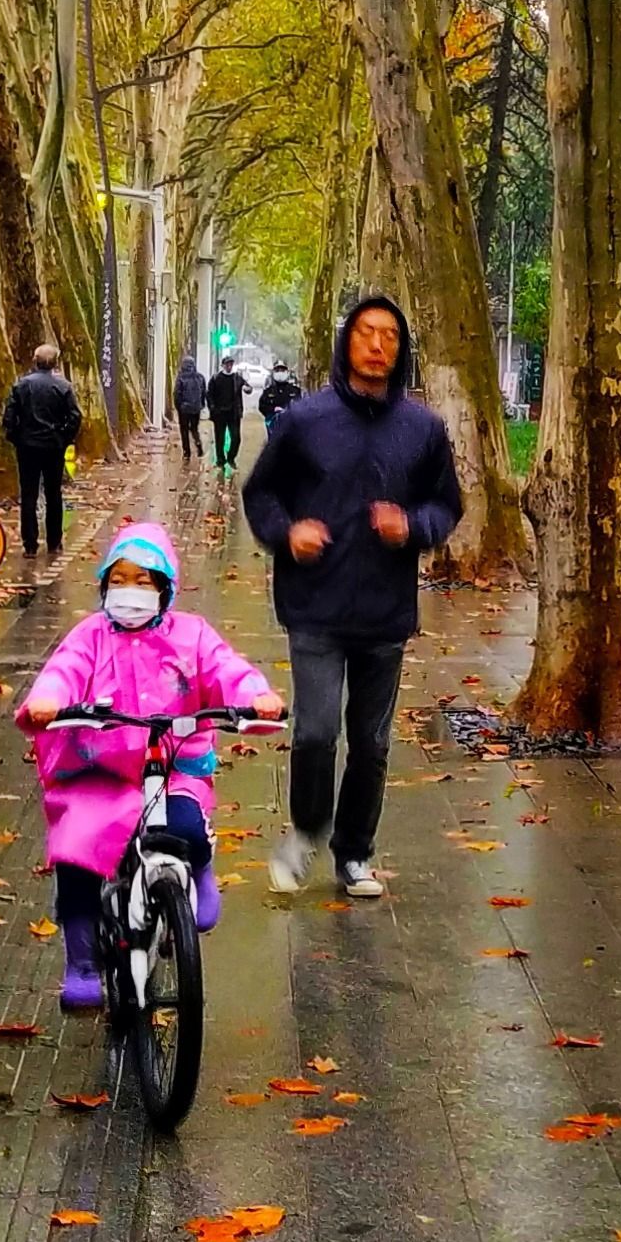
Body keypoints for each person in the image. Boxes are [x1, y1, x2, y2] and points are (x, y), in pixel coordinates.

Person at [241, 294, 461, 903]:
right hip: (315, 604)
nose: (377, 345)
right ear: (347, 342)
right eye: (366, 332)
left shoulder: (423, 429)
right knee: (315, 732)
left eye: (390, 335)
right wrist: (288, 533)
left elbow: (447, 505)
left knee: (372, 743)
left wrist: (411, 527)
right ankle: (306, 830)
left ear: (401, 348)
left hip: (385, 612)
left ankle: (355, 853)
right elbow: (261, 493)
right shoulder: (304, 420)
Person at [13, 524, 281, 1008]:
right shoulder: (90, 637)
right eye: (118, 579)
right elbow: (64, 671)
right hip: (100, 772)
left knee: (187, 828)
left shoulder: (191, 635)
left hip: (173, 765)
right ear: (103, 584)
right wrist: (48, 701)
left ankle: (200, 869)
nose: (129, 591)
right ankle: (82, 961)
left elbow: (226, 668)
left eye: (143, 580)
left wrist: (256, 696)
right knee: (77, 855)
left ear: (165, 588)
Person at [1, 341, 81, 557]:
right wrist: (64, 438)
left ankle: (30, 544)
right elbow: (75, 417)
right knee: (54, 493)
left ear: (35, 361)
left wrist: (15, 437)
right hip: (53, 446)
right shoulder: (63, 387)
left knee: (29, 494)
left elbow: (9, 417)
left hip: (27, 446)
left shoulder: (22, 385)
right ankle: (54, 541)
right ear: (55, 362)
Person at [206, 355, 247, 478]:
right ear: (223, 365)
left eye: (231, 364)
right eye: (227, 364)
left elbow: (247, 387)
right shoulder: (216, 378)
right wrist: (212, 408)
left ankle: (231, 457)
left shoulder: (237, 378)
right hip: (219, 414)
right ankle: (220, 460)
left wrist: (247, 388)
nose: (229, 366)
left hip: (234, 414)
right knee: (220, 438)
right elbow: (209, 395)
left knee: (236, 438)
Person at [173, 349, 206, 460]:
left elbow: (177, 394)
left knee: (184, 430)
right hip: (196, 408)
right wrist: (201, 405)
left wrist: (178, 406)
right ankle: (198, 444)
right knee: (194, 428)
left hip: (184, 409)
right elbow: (204, 393)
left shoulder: (181, 378)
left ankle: (187, 452)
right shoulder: (200, 377)